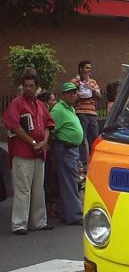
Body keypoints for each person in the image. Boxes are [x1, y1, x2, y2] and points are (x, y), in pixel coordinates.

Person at [3, 73, 55, 234]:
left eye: (31, 85)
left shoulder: (40, 105)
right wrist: (32, 143)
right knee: (23, 189)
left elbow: (48, 124)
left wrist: (44, 142)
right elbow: (14, 126)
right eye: (25, 85)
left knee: (38, 188)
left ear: (37, 87)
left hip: (39, 152)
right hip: (23, 152)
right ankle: (19, 224)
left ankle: (39, 221)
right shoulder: (16, 104)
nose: (28, 88)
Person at [50, 82, 84, 225]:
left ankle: (66, 214)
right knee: (70, 182)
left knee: (68, 181)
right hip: (65, 149)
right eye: (69, 92)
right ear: (63, 95)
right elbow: (51, 129)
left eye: (74, 92)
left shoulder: (70, 108)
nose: (72, 95)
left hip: (71, 149)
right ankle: (75, 215)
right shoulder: (58, 110)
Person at [72, 60, 102, 169]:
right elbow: (72, 98)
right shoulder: (75, 82)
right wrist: (80, 91)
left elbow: (99, 96)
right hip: (80, 112)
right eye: (87, 68)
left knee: (94, 139)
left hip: (92, 113)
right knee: (81, 139)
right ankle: (83, 164)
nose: (89, 70)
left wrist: (92, 89)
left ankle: (94, 162)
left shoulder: (93, 82)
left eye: (90, 68)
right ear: (80, 69)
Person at [37, 91, 59, 217]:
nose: (54, 102)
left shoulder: (46, 112)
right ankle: (46, 207)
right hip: (46, 151)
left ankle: (48, 206)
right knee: (46, 180)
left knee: (48, 179)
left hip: (48, 151)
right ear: (46, 102)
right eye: (52, 100)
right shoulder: (45, 114)